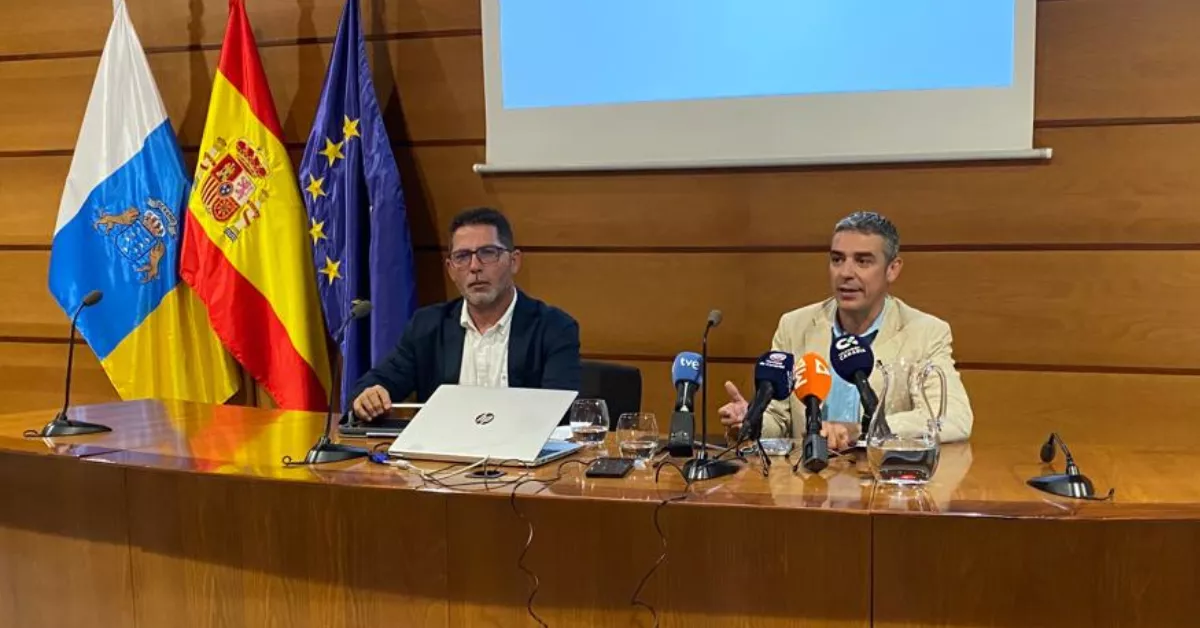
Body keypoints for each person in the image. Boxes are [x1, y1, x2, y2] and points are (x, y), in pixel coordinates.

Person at [719, 211, 973, 448]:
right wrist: (753, 420)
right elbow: (779, 419)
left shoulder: (925, 332)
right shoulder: (795, 326)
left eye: (863, 261)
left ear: (892, 269)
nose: (845, 273)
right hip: (808, 483)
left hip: (880, 482)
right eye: (837, 259)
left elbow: (953, 418)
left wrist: (861, 430)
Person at [349, 207, 581, 420]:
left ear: (514, 261)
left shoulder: (554, 328)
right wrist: (370, 396)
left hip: (522, 462)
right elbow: (374, 384)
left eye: (487, 253)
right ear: (451, 269)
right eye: (462, 257)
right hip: (442, 460)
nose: (474, 267)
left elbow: (560, 414)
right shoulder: (428, 326)